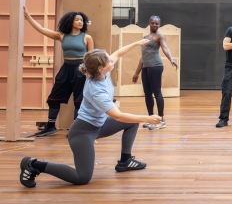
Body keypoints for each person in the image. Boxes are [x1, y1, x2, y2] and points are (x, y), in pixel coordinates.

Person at [19, 39, 162, 188]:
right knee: (82, 177)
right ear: (100, 68)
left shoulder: (100, 72)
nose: (112, 60)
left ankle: (125, 161)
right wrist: (147, 118)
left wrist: (136, 43)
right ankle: (33, 165)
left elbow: (118, 53)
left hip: (99, 124)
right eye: (108, 60)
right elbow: (117, 116)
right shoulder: (97, 92)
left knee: (132, 122)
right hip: (83, 132)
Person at [23, 6, 94, 137]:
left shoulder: (87, 37)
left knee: (79, 100)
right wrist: (27, 16)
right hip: (66, 68)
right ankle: (50, 126)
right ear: (70, 21)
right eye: (77, 19)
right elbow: (41, 29)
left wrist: (89, 72)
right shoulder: (62, 35)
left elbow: (91, 57)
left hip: (81, 69)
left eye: (82, 20)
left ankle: (75, 129)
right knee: (54, 98)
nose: (80, 22)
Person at [132, 16, 178, 130]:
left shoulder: (160, 36)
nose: (154, 25)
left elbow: (165, 48)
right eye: (152, 23)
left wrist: (171, 59)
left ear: (159, 25)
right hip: (146, 68)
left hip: (156, 66)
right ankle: (151, 119)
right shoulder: (145, 38)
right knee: (147, 94)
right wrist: (136, 73)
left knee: (157, 92)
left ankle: (161, 120)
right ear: (149, 23)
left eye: (156, 23)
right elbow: (143, 57)